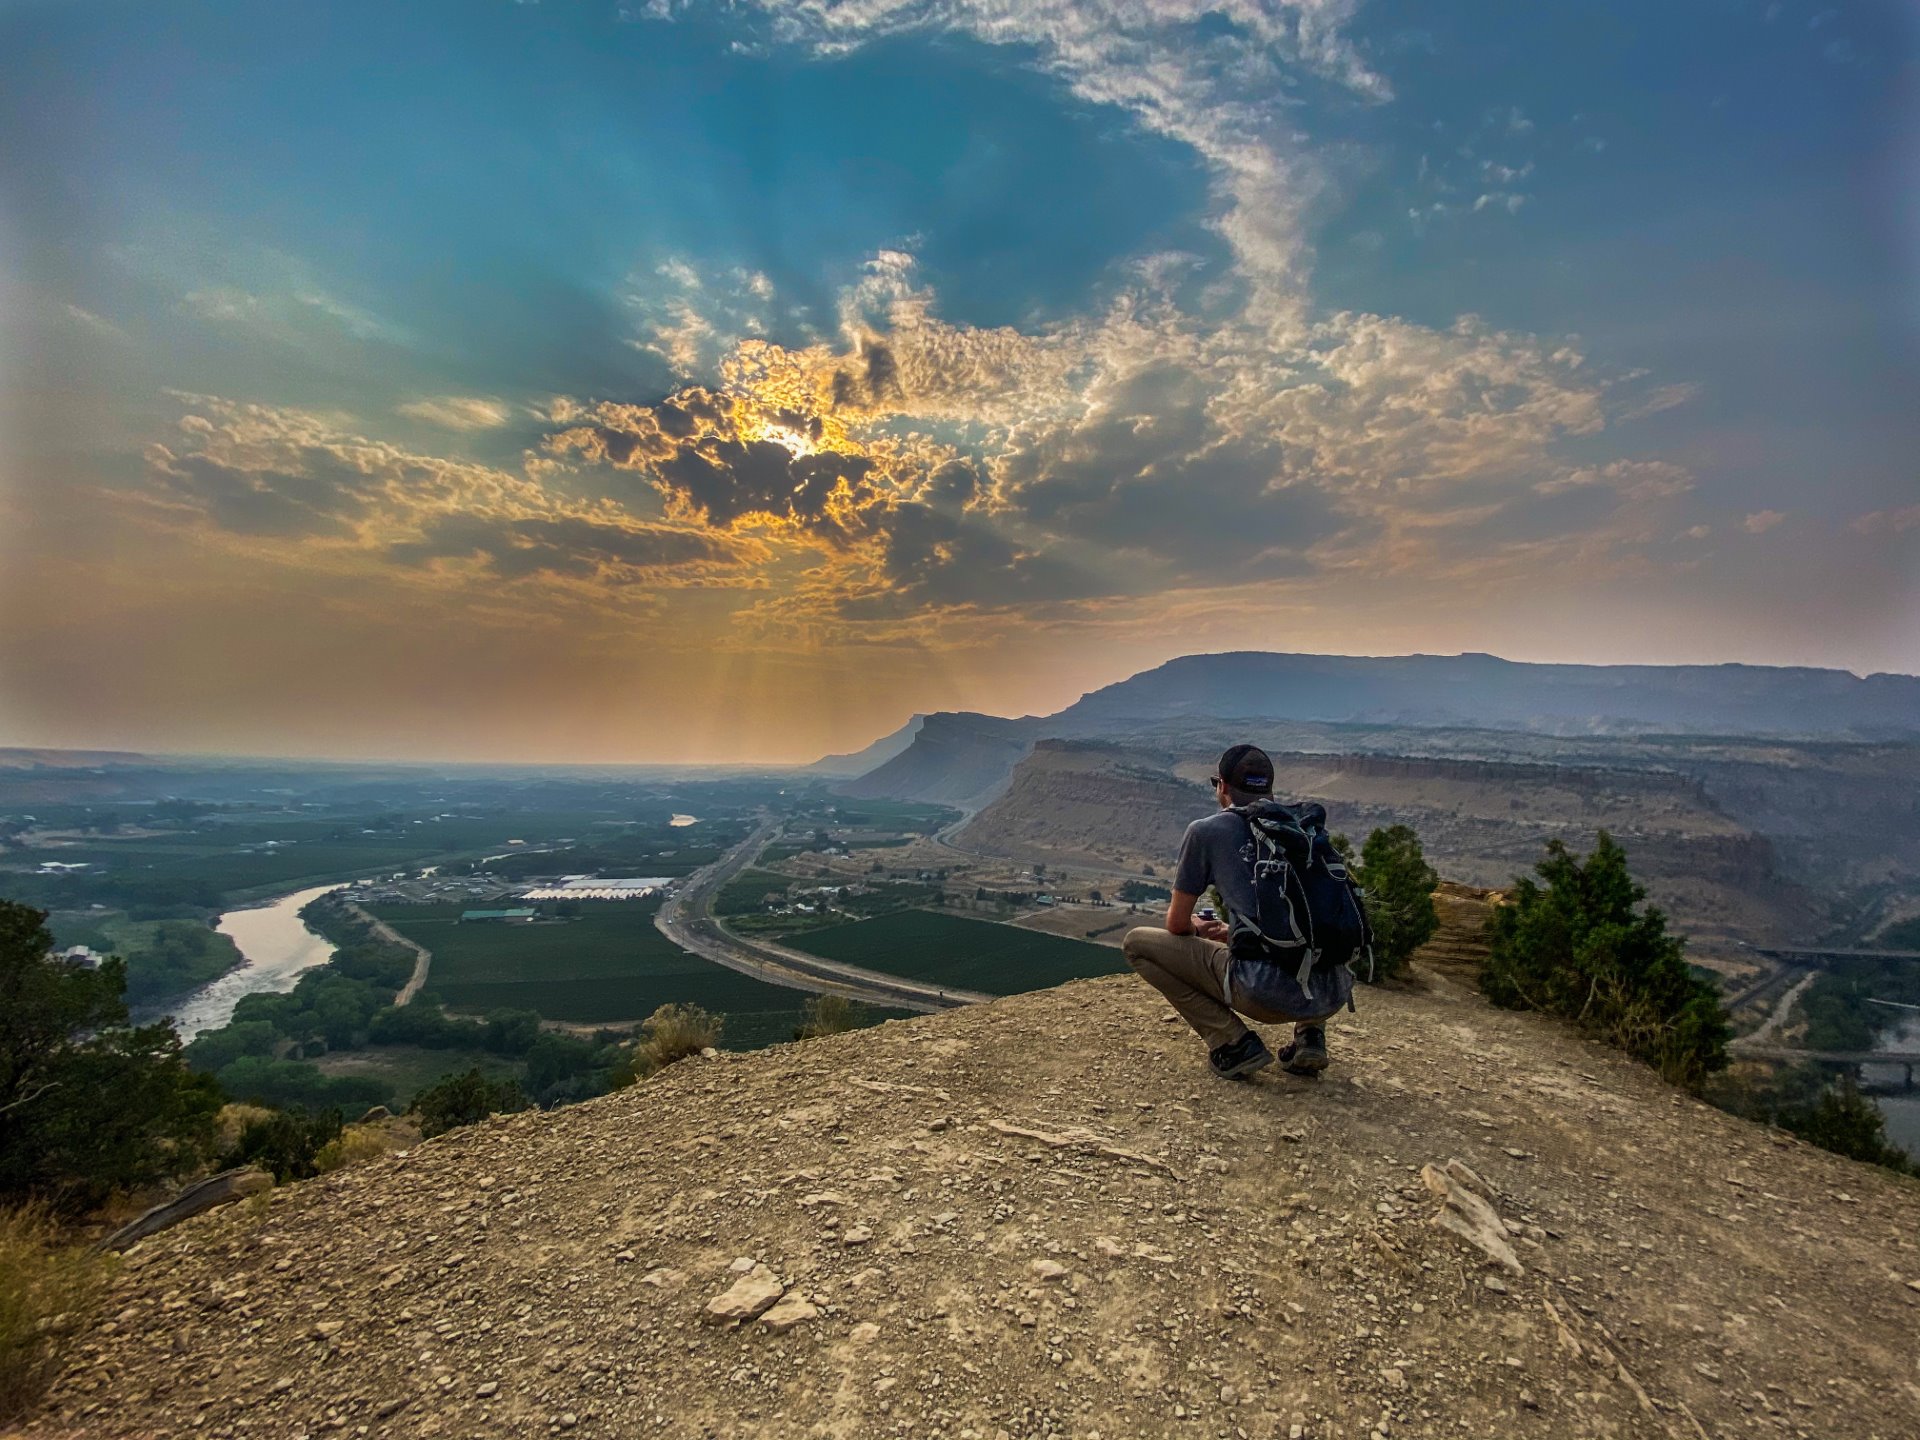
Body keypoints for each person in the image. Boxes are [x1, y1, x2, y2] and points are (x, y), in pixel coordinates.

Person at [1122, 744, 1352, 1080]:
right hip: (1331, 992)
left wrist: (1201, 929)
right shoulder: (1303, 826)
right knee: (1318, 921)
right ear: (1271, 788)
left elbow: (1176, 923)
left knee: (1136, 944)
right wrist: (1238, 933)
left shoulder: (1206, 832)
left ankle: (1233, 1043)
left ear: (1223, 787)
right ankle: (1311, 1036)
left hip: (1265, 994)